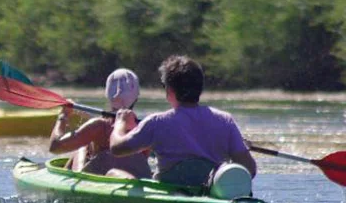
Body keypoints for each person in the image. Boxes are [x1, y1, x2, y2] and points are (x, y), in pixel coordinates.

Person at [110, 55, 257, 186]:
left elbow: (117, 149)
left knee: (113, 172)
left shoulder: (157, 122)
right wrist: (240, 150)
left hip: (168, 195)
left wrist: (120, 123)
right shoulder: (225, 121)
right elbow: (249, 170)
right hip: (210, 193)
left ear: (170, 90)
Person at [49, 68, 151, 178]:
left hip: (105, 179)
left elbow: (55, 146)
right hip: (139, 178)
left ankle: (65, 177)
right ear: (136, 97)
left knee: (82, 147)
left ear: (108, 95)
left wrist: (63, 116)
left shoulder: (99, 126)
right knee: (84, 146)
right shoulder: (146, 126)